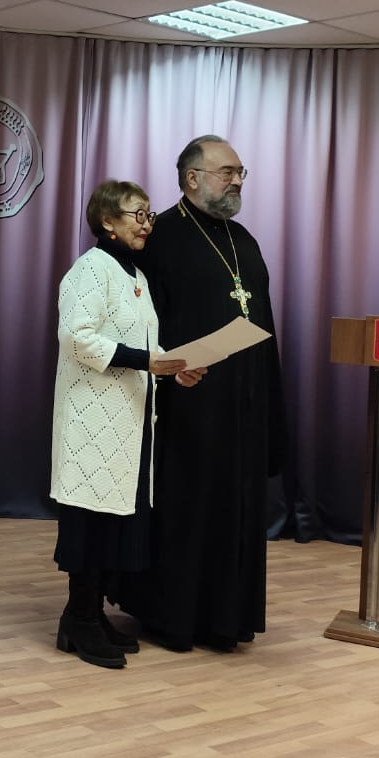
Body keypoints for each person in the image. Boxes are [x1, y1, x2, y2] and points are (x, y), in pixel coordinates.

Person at [117, 135, 287, 653]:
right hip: (184, 403)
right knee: (185, 511)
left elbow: (262, 322)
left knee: (236, 511)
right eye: (226, 172)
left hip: (244, 404)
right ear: (192, 178)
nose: (236, 181)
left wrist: (269, 403)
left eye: (240, 173)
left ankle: (227, 618)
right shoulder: (162, 237)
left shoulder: (244, 240)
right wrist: (167, 369)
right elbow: (137, 322)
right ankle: (172, 617)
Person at [51, 179, 205, 669]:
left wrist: (175, 368)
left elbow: (147, 347)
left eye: (149, 215)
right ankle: (78, 618)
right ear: (107, 222)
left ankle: (88, 615)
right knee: (90, 522)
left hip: (130, 422)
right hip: (93, 420)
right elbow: (76, 338)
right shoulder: (90, 269)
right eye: (137, 215)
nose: (146, 225)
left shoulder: (134, 275)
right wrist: (147, 361)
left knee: (116, 522)